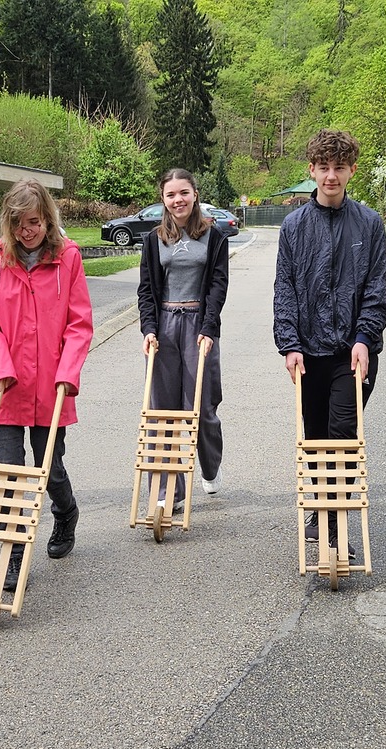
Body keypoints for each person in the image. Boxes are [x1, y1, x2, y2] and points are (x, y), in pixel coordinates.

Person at [272, 129, 386, 557]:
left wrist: (365, 337)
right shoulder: (293, 226)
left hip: (352, 354)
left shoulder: (371, 224)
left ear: (351, 170)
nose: (331, 176)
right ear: (311, 171)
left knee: (342, 435)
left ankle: (335, 526)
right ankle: (320, 514)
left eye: (339, 168)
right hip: (307, 352)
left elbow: (377, 288)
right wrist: (289, 344)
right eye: (323, 168)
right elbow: (284, 289)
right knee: (316, 436)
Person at [0, 179, 93, 593]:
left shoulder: (68, 258)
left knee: (48, 465)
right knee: (9, 474)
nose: (29, 232)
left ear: (48, 218)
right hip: (7, 384)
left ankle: (66, 511)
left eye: (36, 222)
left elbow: (79, 324)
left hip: (51, 385)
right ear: (8, 224)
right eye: (20, 224)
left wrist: (68, 372)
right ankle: (13, 555)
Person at [138, 168, 230, 508]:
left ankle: (210, 466)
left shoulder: (214, 235)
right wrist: (148, 328)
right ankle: (167, 493)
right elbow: (146, 290)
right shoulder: (153, 239)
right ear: (163, 198)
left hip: (198, 325)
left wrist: (209, 328)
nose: (178, 200)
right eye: (171, 194)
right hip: (164, 325)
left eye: (184, 193)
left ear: (195, 194)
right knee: (162, 412)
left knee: (202, 407)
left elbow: (218, 286)